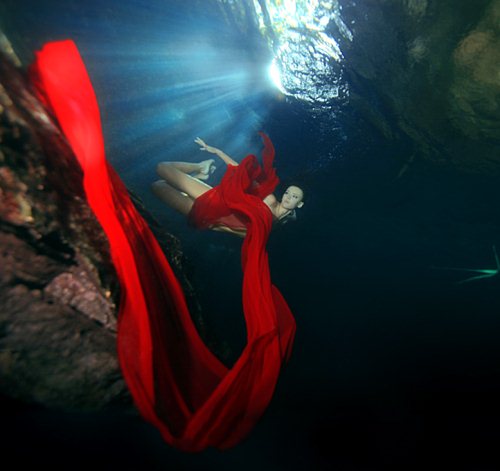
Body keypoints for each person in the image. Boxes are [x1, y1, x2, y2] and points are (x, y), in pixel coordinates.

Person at [151, 137, 304, 237]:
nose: (288, 197)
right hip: (215, 200)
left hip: (206, 218)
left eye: (294, 197)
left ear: (300, 204)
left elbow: (228, 230)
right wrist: (218, 152)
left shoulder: (266, 231)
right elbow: (242, 173)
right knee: (161, 168)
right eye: (287, 193)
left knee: (157, 186)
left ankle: (200, 175)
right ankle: (200, 167)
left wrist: (208, 224)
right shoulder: (269, 199)